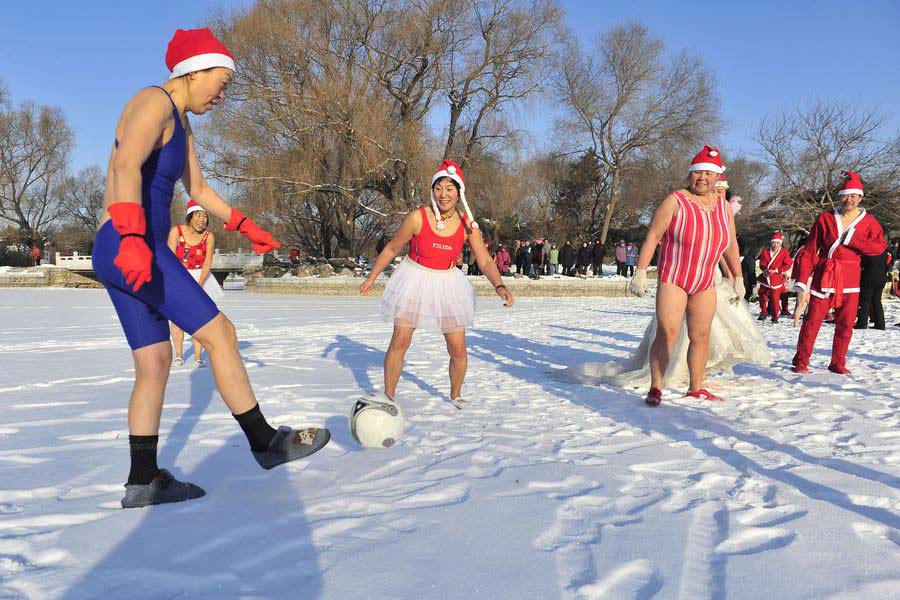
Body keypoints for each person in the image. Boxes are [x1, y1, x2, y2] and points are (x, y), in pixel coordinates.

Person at [91, 28, 330, 508]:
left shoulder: (181, 123)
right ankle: (263, 441)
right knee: (220, 333)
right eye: (220, 82)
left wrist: (244, 223)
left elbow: (197, 189)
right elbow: (124, 168)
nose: (222, 94)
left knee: (155, 363)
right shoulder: (152, 102)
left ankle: (142, 481)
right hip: (129, 240)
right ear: (193, 70)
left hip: (129, 244)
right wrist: (136, 239)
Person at [360, 159, 514, 408]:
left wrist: (500, 286)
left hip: (449, 283)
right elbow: (391, 248)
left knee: (458, 348)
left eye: (449, 189)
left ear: (459, 192)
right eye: (439, 188)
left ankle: (456, 395)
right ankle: (388, 394)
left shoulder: (467, 225)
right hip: (415, 278)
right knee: (400, 340)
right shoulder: (417, 217)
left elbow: (485, 260)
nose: (444, 195)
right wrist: (372, 276)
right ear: (433, 190)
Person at [628, 145, 743, 406]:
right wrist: (641, 272)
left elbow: (731, 244)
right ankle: (656, 386)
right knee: (667, 332)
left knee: (701, 335)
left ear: (717, 177)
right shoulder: (675, 200)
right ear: (690, 174)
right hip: (674, 278)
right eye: (698, 172)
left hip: (705, 282)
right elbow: (653, 237)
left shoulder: (724, 208)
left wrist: (737, 277)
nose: (702, 178)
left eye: (708, 174)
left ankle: (695, 386)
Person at [561, 261, 769, 389]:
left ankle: (697, 375)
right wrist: (641, 271)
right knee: (678, 327)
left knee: (706, 330)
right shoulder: (682, 205)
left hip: (709, 276)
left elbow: (724, 247)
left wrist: (735, 276)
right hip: (684, 274)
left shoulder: (720, 213)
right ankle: (669, 373)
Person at [791, 171, 888, 373]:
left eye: (853, 196)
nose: (849, 199)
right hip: (824, 276)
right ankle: (801, 360)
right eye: (845, 195)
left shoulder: (869, 222)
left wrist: (853, 239)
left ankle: (837, 362)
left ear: (860, 197)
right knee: (812, 322)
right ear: (840, 196)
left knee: (845, 324)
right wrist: (802, 281)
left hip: (850, 278)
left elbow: (878, 247)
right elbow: (810, 251)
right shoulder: (825, 218)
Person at [167, 199, 225, 367]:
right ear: (190, 217)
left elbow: (207, 263)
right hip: (178, 277)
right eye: (198, 216)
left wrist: (199, 284)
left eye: (204, 216)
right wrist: (177, 281)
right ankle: (178, 355)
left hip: (201, 278)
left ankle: (198, 357)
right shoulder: (176, 232)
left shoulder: (209, 236)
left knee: (200, 319)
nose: (202, 220)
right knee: (177, 318)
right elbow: (169, 259)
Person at [755, 233, 792, 324]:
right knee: (762, 296)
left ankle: (775, 317)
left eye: (777, 243)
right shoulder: (765, 252)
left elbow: (788, 264)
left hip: (776, 278)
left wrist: (777, 270)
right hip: (765, 278)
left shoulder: (784, 252)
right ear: (771, 243)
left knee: (775, 299)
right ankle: (763, 312)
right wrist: (765, 270)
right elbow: (762, 264)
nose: (775, 245)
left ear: (780, 244)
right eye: (773, 243)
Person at [855, 247, 889, 330]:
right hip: (881, 277)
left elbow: (861, 264)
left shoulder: (868, 251)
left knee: (865, 301)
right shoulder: (884, 251)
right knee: (877, 301)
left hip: (869, 278)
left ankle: (862, 323)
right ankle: (880, 324)